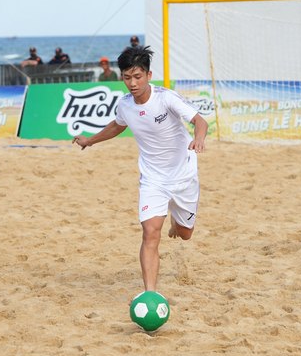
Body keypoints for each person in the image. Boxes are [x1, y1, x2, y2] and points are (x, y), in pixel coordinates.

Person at [72, 45, 208, 292]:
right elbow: (117, 126)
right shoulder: (125, 105)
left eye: (137, 77)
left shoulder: (166, 98)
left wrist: (199, 138)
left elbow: (200, 120)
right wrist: (89, 140)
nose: (132, 83)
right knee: (149, 232)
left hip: (183, 175)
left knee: (186, 234)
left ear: (148, 75)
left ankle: (177, 223)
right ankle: (150, 293)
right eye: (127, 77)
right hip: (153, 179)